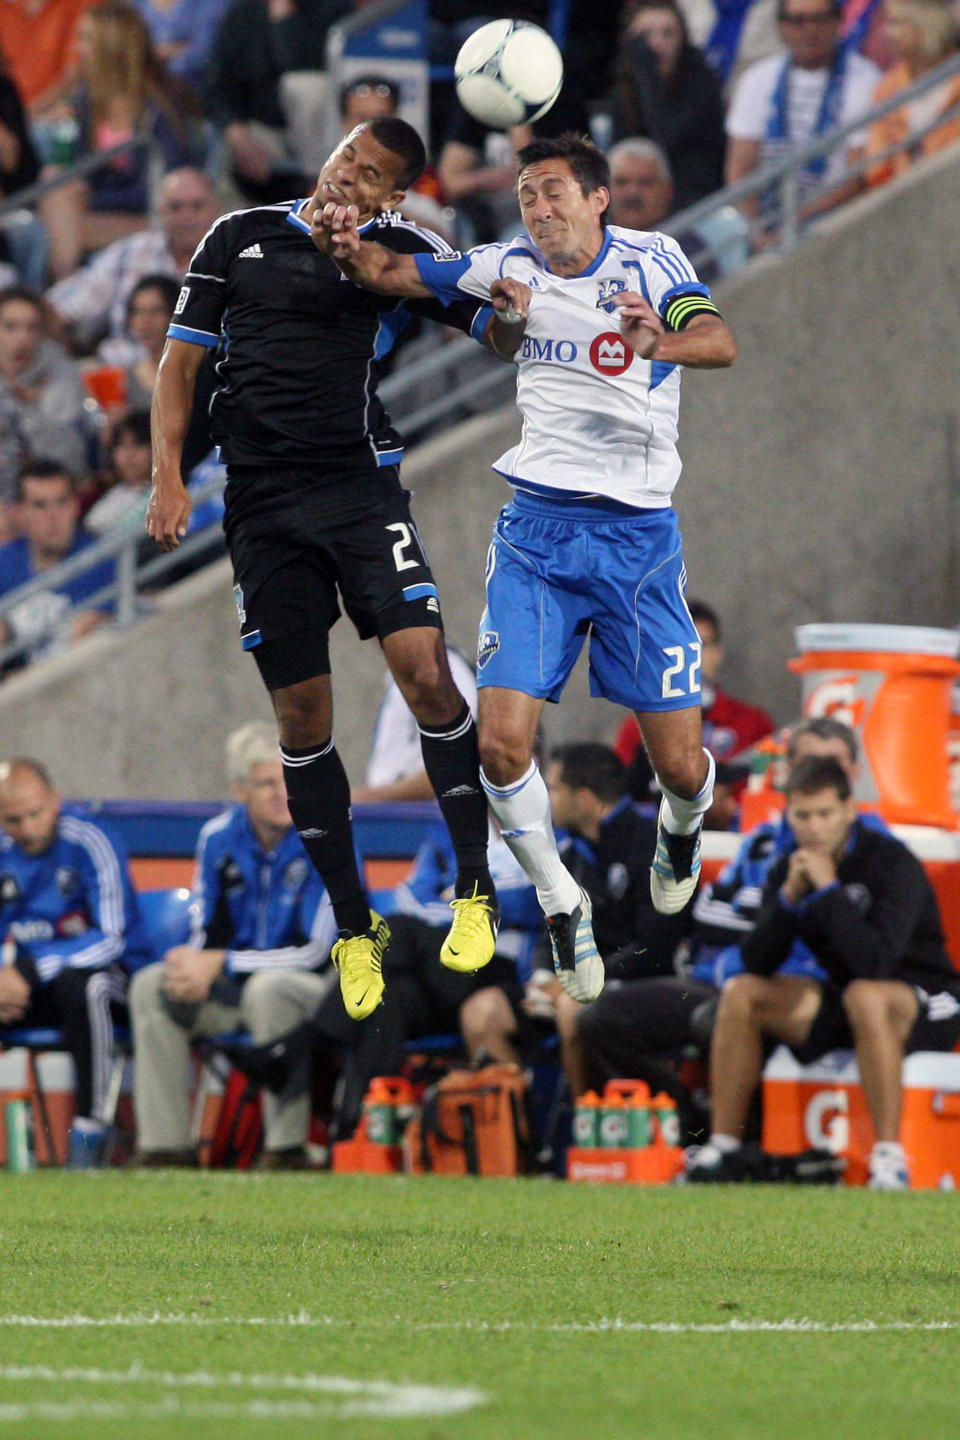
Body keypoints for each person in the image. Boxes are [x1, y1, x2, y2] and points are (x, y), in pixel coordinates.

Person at [312, 132, 738, 1005]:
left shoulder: (653, 260)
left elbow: (721, 341)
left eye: (552, 194)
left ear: (597, 199)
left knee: (683, 770)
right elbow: (395, 277)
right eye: (527, 197)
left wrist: (658, 342)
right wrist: (351, 246)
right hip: (537, 534)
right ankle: (557, 897)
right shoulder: (506, 265)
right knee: (500, 747)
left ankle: (682, 830)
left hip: (636, 541)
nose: (538, 212)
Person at [146, 118, 526, 1022]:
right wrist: (168, 477)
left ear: (392, 197)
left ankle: (473, 884)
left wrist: (509, 310)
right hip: (262, 506)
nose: (347, 179)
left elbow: (494, 334)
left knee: (426, 671)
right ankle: (357, 927)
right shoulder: (238, 234)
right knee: (302, 716)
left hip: (360, 492)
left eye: (370, 176)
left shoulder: (394, 248)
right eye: (344, 159)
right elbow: (179, 366)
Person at [576, 715, 874, 1134]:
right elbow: (710, 911)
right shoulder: (762, 839)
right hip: (715, 975)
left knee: (726, 1015)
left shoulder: (873, 847)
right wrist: (759, 914)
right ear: (786, 771)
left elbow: (844, 939)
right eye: (807, 763)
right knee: (600, 1018)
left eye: (832, 767)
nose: (817, 777)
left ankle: (737, 1143)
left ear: (855, 777)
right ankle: (686, 1125)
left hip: (795, 990)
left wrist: (760, 913)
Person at [686, 755, 960, 1188]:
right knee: (742, 992)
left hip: (927, 997)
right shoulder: (790, 866)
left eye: (825, 814)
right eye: (802, 815)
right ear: (788, 814)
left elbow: (877, 963)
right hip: (846, 994)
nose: (813, 827)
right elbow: (757, 961)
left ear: (849, 810)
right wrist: (790, 899)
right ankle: (722, 1148)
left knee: (865, 996)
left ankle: (889, 1158)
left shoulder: (892, 862)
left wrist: (829, 892)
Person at [129, 721, 338, 1168]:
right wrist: (193, 969)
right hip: (238, 989)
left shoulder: (327, 835)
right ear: (240, 790)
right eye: (266, 783)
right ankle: (165, 1150)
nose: (281, 793)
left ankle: (287, 1150)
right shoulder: (217, 838)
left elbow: (316, 954)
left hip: (318, 993)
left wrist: (220, 962)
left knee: (272, 988)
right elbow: (207, 931)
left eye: (288, 780)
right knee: (152, 984)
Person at [462, 743, 686, 1097]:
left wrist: (579, 981)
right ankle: (523, 1140)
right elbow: (547, 929)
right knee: (481, 1012)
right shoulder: (566, 852)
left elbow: (654, 947)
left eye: (552, 788)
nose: (546, 798)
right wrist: (541, 978)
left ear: (583, 798)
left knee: (572, 1008)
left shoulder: (655, 845)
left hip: (642, 983)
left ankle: (588, 1126)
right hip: (576, 983)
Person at [0, 756, 151, 1165]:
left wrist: (29, 972)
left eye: (35, 814)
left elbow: (113, 938)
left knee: (86, 986)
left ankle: (89, 1134)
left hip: (118, 980)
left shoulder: (90, 840)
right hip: (35, 986)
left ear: (55, 800)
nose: (27, 829)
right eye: (14, 820)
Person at [39, 1, 204, 280]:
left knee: (63, 228)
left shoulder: (159, 108)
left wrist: (92, 195)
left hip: (148, 216)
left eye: (87, 39)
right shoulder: (84, 104)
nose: (78, 48)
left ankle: (61, 296)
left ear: (111, 47)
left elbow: (166, 182)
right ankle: (65, 288)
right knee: (55, 183)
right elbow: (76, 174)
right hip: (93, 215)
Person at [725, 0, 882, 232]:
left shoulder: (866, 79)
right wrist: (757, 230)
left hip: (834, 217)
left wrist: (793, 222)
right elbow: (739, 171)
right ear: (780, 27)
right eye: (797, 21)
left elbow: (857, 175)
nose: (810, 30)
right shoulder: (757, 79)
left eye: (820, 19)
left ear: (838, 22)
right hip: (766, 216)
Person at [46, 166, 220, 362]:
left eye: (197, 206)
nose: (187, 216)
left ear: (216, 209)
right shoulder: (129, 253)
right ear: (160, 211)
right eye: (175, 207)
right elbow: (60, 309)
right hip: (121, 376)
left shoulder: (238, 264)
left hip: (203, 379)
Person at [614, 597, 774, 806]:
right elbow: (620, 800)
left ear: (718, 652)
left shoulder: (753, 724)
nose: (693, 657)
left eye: (701, 645)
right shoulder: (639, 727)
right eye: (681, 646)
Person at [204, 0, 351, 202]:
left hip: (321, 136)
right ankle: (231, 227)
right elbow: (217, 85)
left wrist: (284, 22)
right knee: (223, 160)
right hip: (260, 129)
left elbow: (302, 64)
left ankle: (318, 184)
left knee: (305, 86)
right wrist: (237, 134)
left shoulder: (334, 8)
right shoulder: (243, 11)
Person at [610, 0, 727, 211]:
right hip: (641, 201)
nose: (656, 44)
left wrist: (646, 72)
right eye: (645, 35)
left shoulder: (701, 78)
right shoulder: (624, 87)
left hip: (696, 199)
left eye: (668, 33)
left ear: (683, 38)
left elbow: (665, 140)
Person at [0, 460, 115, 663]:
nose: (53, 516)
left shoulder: (101, 561)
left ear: (75, 506)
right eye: (39, 505)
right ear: (21, 513)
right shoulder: (5, 561)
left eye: (62, 502)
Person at [354, 645, 477, 803]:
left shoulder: (439, 667)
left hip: (423, 818)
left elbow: (458, 764)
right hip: (396, 814)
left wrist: (365, 799)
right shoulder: (408, 670)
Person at [0, 285, 89, 497]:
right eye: (10, 327)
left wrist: (24, 409)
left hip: (45, 495)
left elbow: (68, 460)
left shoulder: (62, 375)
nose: (22, 337)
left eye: (32, 328)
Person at [864, 0, 960, 189]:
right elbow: (877, 167)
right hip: (908, 201)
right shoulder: (887, 88)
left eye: (896, 22)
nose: (887, 33)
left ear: (925, 23)